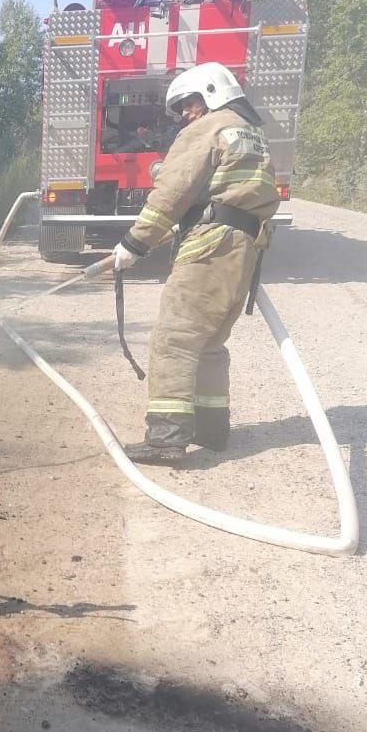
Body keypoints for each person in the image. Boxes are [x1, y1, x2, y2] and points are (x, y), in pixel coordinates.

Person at [112, 63, 280, 463]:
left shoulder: (207, 128)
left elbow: (173, 192)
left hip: (211, 246)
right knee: (208, 344)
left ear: (211, 92)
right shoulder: (249, 132)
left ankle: (166, 440)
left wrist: (134, 243)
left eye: (188, 103)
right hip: (245, 247)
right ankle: (212, 430)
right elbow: (218, 190)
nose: (185, 114)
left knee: (175, 338)